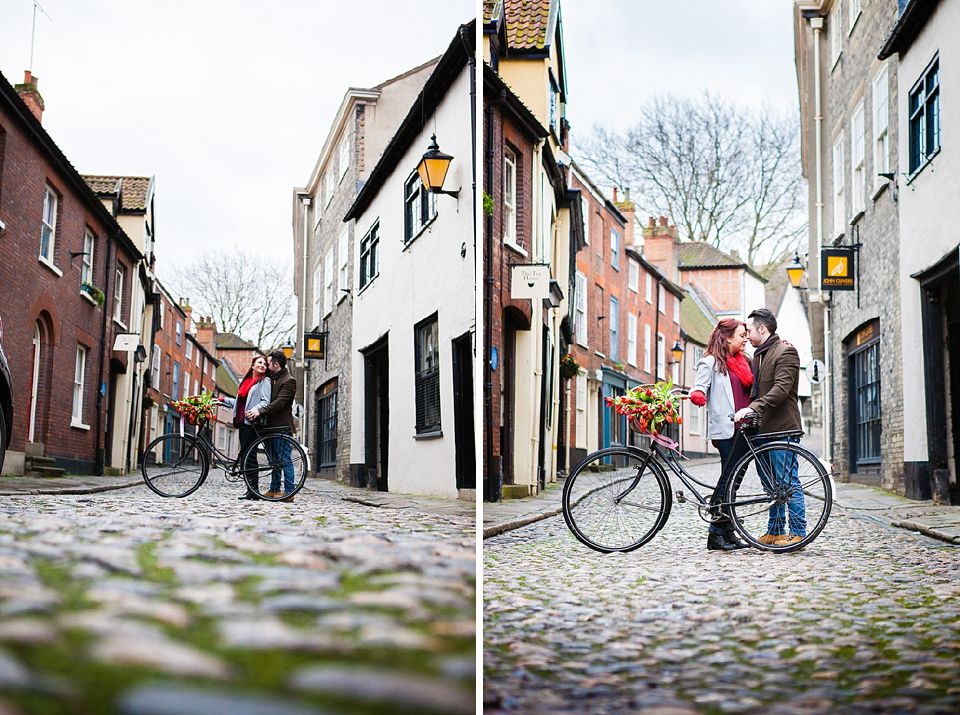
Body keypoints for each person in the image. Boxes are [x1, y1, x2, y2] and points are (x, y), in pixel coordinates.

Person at [734, 307, 805, 547]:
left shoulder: (786, 352)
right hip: (762, 431)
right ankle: (775, 531)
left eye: (750, 331)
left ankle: (798, 533)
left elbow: (781, 390)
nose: (747, 336)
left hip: (783, 428)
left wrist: (754, 408)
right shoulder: (758, 356)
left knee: (787, 482)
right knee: (771, 486)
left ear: (762, 329)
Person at [689, 318, 753, 551]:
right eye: (741, 335)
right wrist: (697, 395)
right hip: (728, 430)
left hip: (746, 429)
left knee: (732, 482)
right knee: (728, 480)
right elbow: (698, 386)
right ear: (726, 337)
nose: (745, 339)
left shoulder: (744, 362)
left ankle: (727, 532)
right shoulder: (710, 362)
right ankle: (716, 534)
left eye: (747, 335)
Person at [246, 350, 297, 502]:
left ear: (276, 364)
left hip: (281, 427)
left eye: (268, 363)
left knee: (284, 459)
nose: (266, 366)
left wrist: (259, 411)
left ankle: (289, 492)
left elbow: (279, 403)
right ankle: (274, 489)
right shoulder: (271, 378)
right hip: (269, 427)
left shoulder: (289, 380)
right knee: (274, 460)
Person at [221, 355, 271, 500]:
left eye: (264, 364)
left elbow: (265, 401)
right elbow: (239, 402)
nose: (262, 365)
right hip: (243, 423)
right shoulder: (247, 381)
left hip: (253, 422)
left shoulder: (264, 381)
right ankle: (250, 489)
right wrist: (222, 400)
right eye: (259, 363)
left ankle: (253, 490)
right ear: (253, 365)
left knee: (249, 456)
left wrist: (255, 410)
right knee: (246, 456)